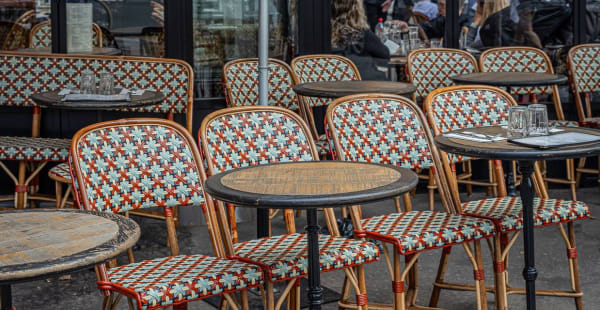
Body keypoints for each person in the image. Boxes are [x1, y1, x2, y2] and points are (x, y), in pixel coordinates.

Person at [332, 0, 390, 80]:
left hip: (335, 82)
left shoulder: (322, 34)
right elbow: (385, 53)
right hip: (367, 84)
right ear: (358, 10)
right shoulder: (362, 33)